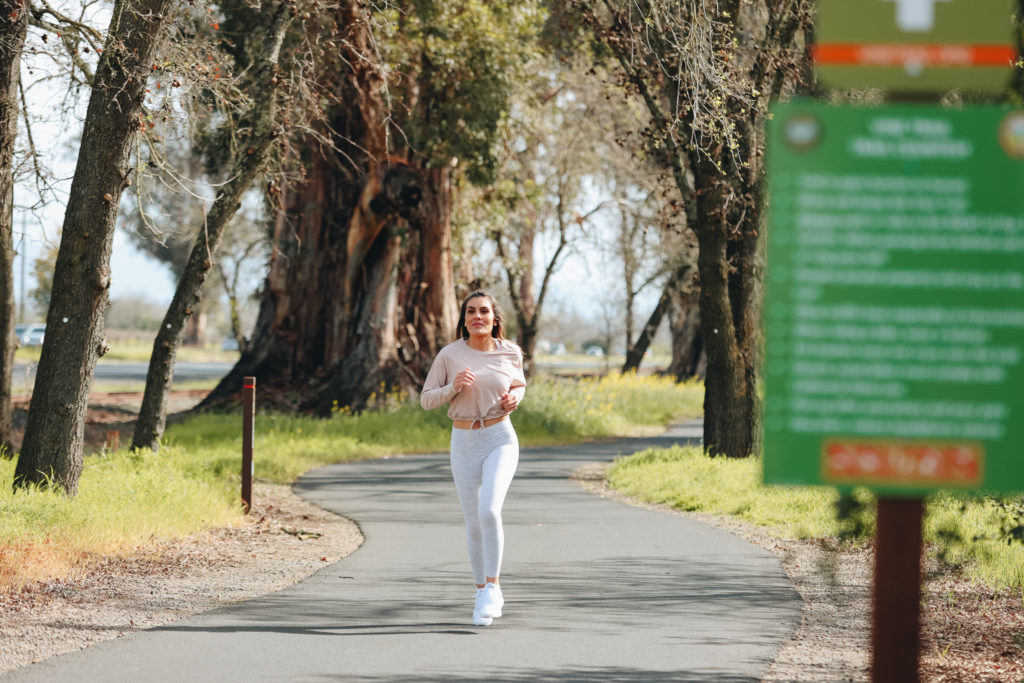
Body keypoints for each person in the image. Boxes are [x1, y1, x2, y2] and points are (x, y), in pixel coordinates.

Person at [420, 289, 527, 627]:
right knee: (472, 519)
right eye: (470, 312)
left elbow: (519, 384)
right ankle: (480, 589)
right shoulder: (450, 355)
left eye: (483, 311)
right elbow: (426, 400)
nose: (477, 317)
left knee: (489, 509)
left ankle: (494, 587)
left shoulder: (510, 352)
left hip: (500, 437)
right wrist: (453, 387)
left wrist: (515, 399)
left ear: (495, 318)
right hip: (464, 440)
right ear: (463, 319)